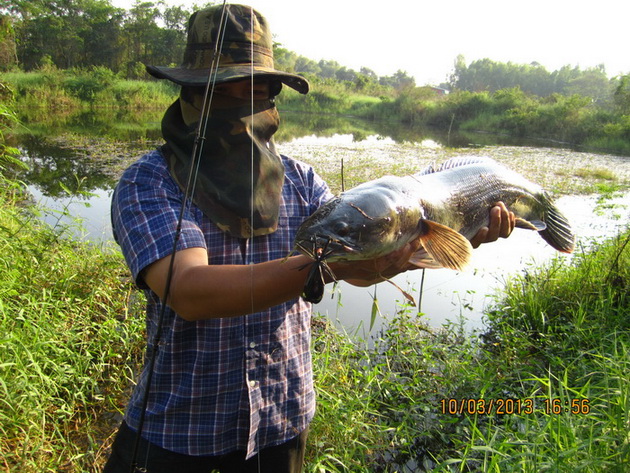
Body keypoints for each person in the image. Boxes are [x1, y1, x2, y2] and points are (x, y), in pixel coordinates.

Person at [103, 4, 515, 473]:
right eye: (234, 86)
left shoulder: (301, 182)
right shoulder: (149, 182)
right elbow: (191, 291)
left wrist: (431, 245)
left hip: (282, 418)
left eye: (264, 88)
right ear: (196, 90)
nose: (253, 101)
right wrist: (321, 262)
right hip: (179, 430)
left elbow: (357, 269)